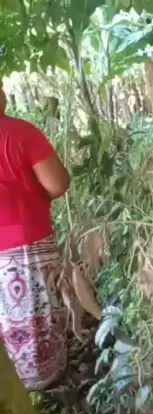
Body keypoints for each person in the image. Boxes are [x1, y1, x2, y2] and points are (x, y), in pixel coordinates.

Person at [0, 79, 71, 390]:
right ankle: (43, 382)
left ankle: (13, 388)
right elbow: (58, 184)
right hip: (28, 242)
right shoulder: (21, 133)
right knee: (38, 314)